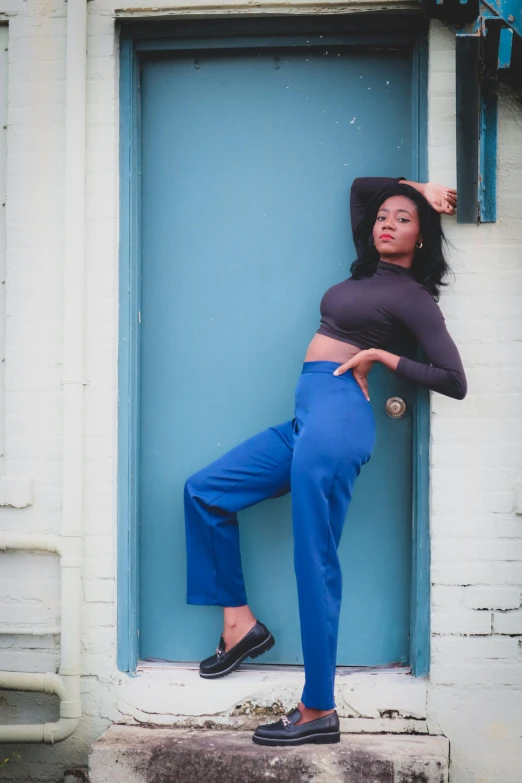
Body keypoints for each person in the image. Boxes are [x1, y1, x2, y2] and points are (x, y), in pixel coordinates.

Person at [183, 175, 466, 747]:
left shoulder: (412, 297)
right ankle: (239, 625)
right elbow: (363, 189)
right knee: (206, 491)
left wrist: (384, 355)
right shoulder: (366, 269)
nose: (387, 221)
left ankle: (317, 709)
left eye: (404, 219)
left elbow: (455, 380)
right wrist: (418, 188)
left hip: (338, 422)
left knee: (315, 562)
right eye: (384, 216)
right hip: (306, 419)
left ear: (421, 239)